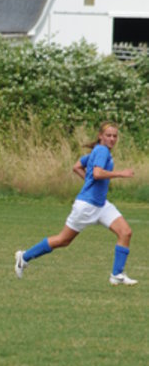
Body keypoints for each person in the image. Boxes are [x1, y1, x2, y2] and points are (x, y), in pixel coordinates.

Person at [14, 122, 137, 285]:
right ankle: (24, 257)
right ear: (100, 136)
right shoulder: (101, 150)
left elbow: (77, 166)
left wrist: (89, 181)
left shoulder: (98, 151)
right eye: (108, 135)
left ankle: (117, 274)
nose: (112, 139)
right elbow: (97, 173)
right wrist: (120, 174)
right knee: (63, 240)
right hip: (86, 206)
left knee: (125, 232)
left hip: (101, 205)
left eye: (115, 136)